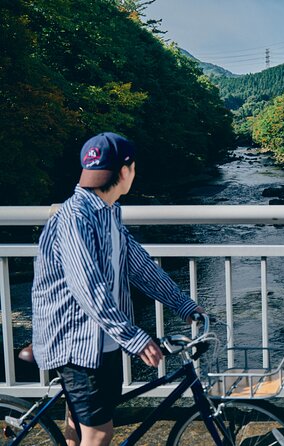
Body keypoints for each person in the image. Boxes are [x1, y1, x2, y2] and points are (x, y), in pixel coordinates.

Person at [31, 132, 203, 446]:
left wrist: (183, 304)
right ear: (125, 171)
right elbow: (89, 289)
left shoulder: (109, 211)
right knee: (99, 433)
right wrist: (136, 337)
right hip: (75, 342)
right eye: (133, 168)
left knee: (79, 422)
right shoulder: (76, 219)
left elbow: (139, 265)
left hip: (100, 339)